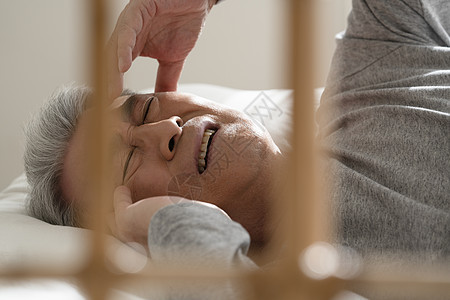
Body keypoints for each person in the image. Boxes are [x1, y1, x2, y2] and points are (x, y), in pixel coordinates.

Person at [24, 0, 449, 296]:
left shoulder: (376, 70)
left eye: (147, 108)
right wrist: (178, 227)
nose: (167, 129)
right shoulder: (283, 285)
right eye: (127, 161)